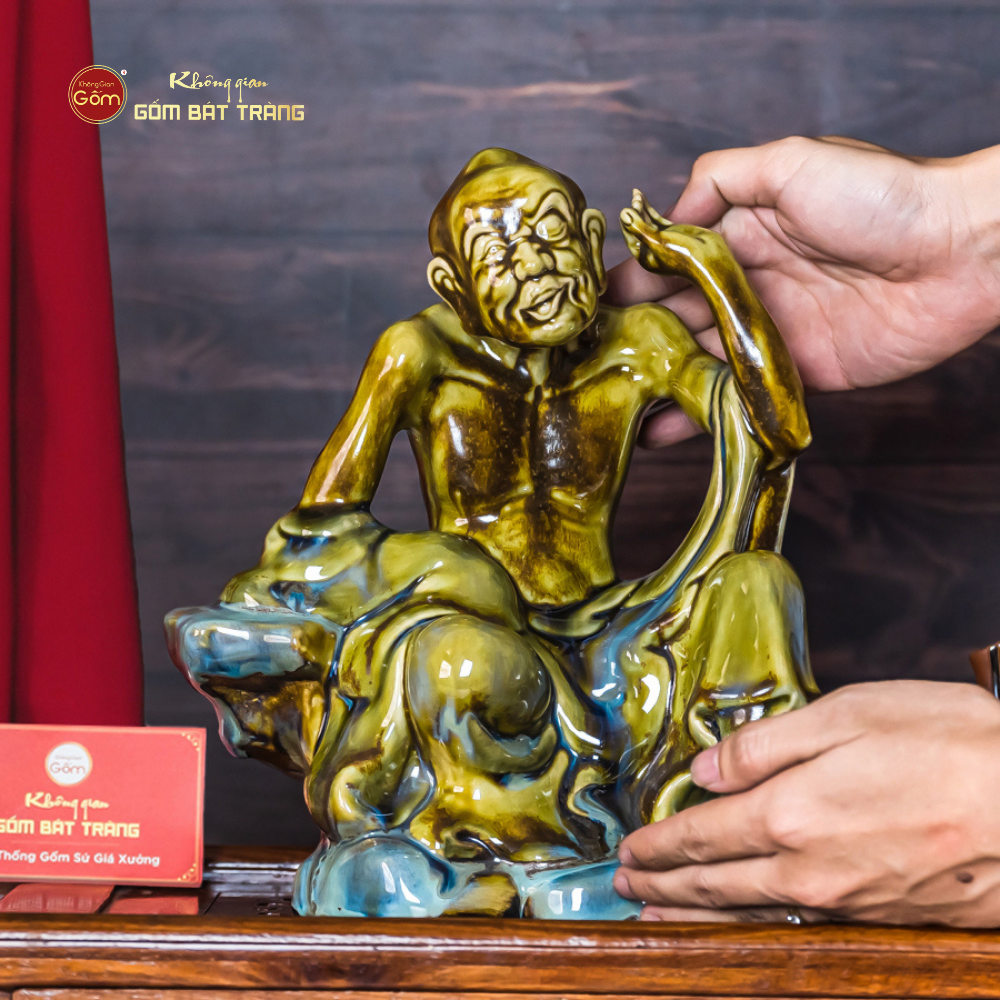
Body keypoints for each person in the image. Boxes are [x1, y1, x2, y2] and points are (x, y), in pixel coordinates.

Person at [610, 135, 1000, 927]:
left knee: (751, 587)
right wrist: (966, 229)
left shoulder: (656, 353)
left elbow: (776, 431)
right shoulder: (430, 355)